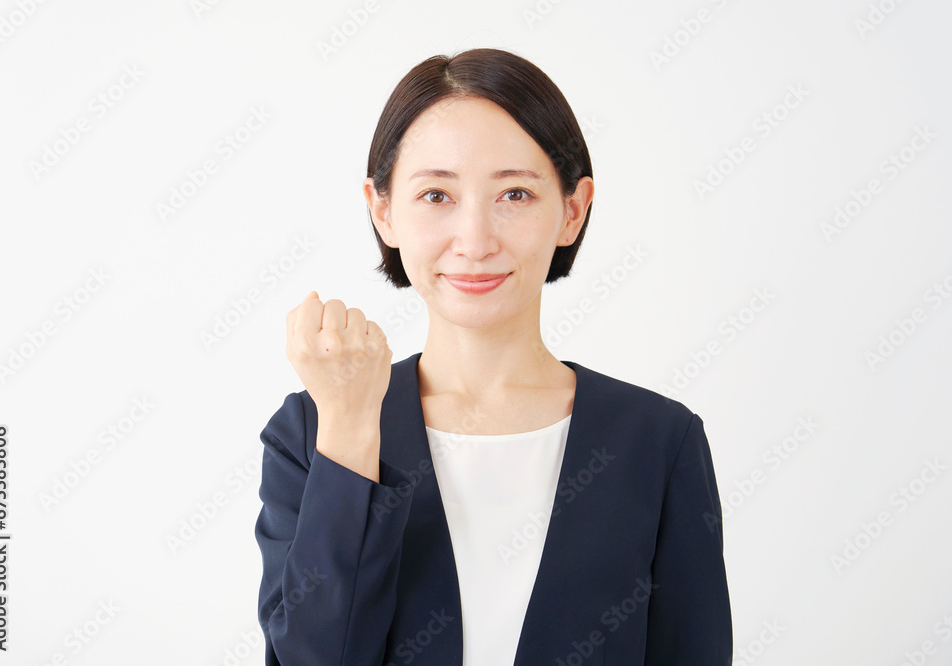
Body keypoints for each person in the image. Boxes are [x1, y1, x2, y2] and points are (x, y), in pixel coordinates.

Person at [254, 47, 732, 665]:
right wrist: (348, 425)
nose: (475, 241)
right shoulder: (313, 430)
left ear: (572, 210)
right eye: (436, 195)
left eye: (515, 194)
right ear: (383, 211)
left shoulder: (658, 442)